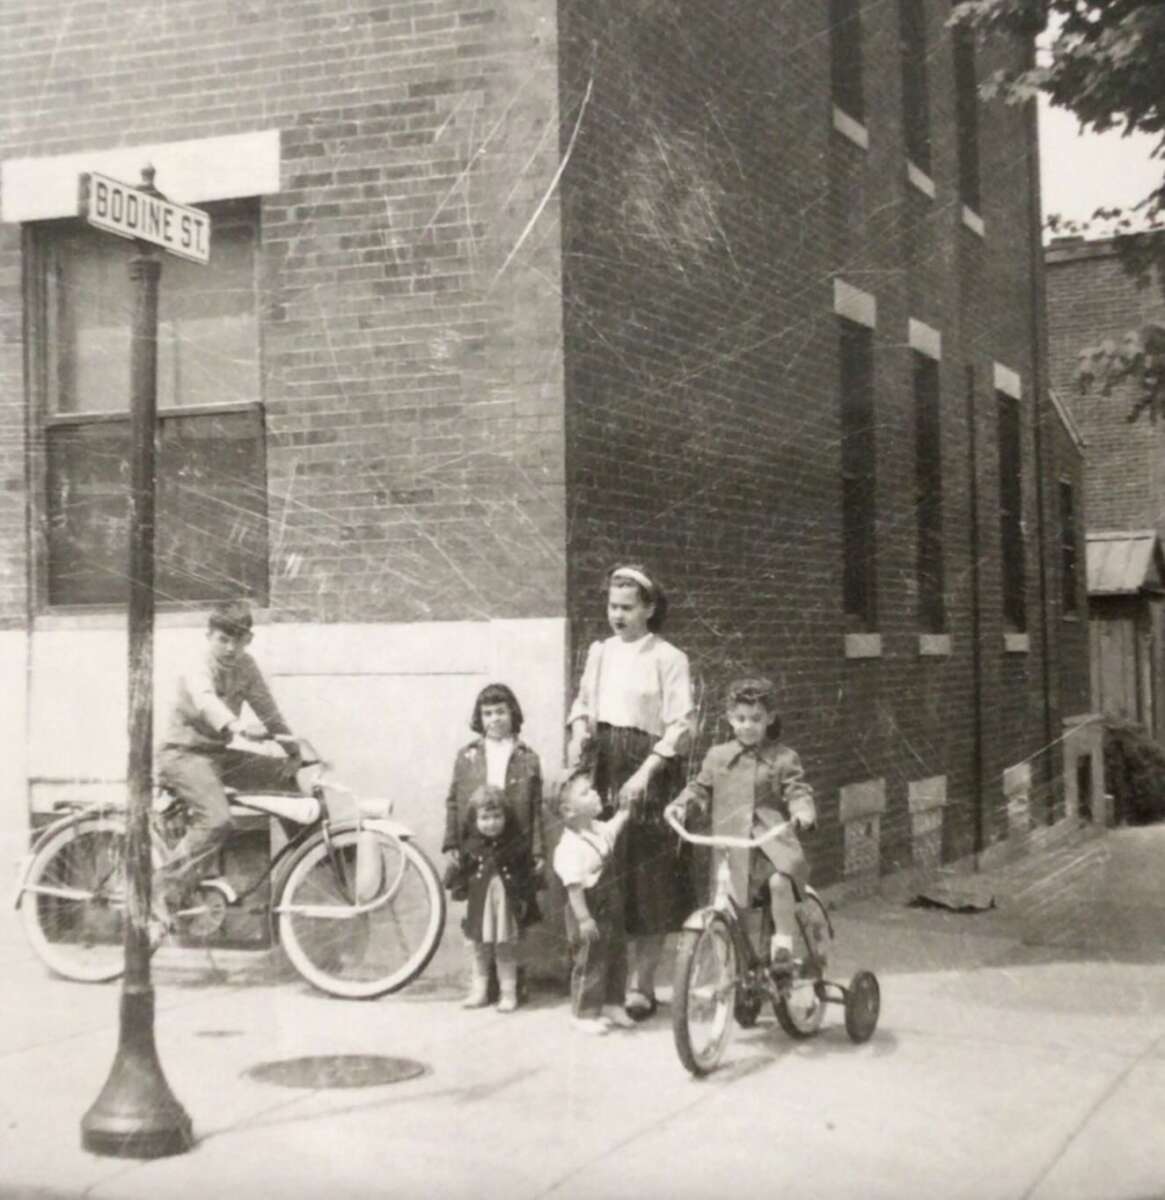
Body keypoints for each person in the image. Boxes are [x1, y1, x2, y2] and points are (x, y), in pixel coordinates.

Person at [566, 563, 695, 1021]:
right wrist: (579, 729)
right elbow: (583, 701)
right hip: (604, 763)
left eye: (626, 607)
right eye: (611, 606)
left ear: (649, 609)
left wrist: (646, 773)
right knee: (604, 873)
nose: (616, 615)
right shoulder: (600, 652)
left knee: (648, 878)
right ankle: (606, 987)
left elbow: (680, 725)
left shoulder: (668, 657)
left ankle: (643, 985)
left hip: (649, 768)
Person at [156, 599, 316, 910]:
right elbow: (206, 701)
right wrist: (239, 727)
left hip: (217, 754)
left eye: (238, 641)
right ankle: (160, 895)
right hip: (182, 755)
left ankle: (311, 863)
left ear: (248, 640)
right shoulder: (197, 664)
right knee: (216, 821)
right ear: (209, 637)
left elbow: (269, 712)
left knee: (280, 774)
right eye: (222, 640)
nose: (230, 648)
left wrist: (294, 752)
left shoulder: (246, 666)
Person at [666, 677, 816, 965]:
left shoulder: (783, 757)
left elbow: (797, 790)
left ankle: (782, 944)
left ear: (770, 719)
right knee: (729, 904)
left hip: (769, 842)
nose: (748, 725)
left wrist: (802, 811)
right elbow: (701, 787)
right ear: (730, 719)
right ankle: (732, 969)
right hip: (730, 842)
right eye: (741, 718)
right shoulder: (718, 756)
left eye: (756, 719)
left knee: (779, 881)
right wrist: (680, 805)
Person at [442, 682, 545, 1003]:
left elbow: (537, 809)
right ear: (479, 717)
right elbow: (454, 802)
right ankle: (481, 986)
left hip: (514, 846)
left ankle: (513, 984)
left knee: (512, 914)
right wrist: (452, 843)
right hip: (477, 847)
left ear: (512, 713)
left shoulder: (527, 757)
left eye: (500, 711)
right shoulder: (468, 756)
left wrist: (538, 849)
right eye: (487, 713)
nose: (494, 719)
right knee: (479, 917)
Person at [552, 770, 637, 1034]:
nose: (596, 793)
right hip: (588, 908)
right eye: (586, 792)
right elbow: (574, 887)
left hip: (610, 906)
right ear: (568, 811)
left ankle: (613, 1003)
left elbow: (613, 828)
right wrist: (584, 919)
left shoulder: (598, 830)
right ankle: (583, 1013)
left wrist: (624, 812)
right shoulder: (569, 846)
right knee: (590, 961)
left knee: (616, 954)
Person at [449, 785, 541, 1012]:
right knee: (479, 949)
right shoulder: (471, 846)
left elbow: (525, 877)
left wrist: (524, 901)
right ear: (475, 819)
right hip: (480, 906)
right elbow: (461, 875)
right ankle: (479, 992)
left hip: (504, 906)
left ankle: (508, 994)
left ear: (506, 816)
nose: (492, 823)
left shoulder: (516, 845)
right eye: (485, 817)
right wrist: (457, 882)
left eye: (497, 816)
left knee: (504, 948)